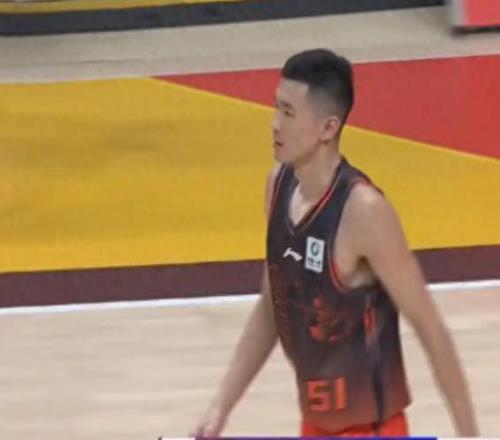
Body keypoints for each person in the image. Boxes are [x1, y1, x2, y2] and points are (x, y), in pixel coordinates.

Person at [192, 48, 478, 437]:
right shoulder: (277, 186)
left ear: (327, 128)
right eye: (276, 108)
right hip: (314, 426)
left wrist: (469, 434)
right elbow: (271, 307)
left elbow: (431, 329)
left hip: (372, 429)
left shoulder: (364, 212)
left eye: (289, 113)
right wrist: (220, 407)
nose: (275, 124)